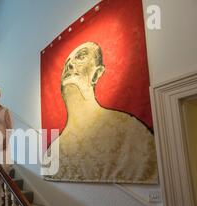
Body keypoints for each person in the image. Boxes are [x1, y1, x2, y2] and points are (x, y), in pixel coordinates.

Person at [43, 42, 158, 184]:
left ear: (96, 74)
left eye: (81, 57)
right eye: (67, 64)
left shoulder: (129, 129)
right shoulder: (52, 151)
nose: (69, 66)